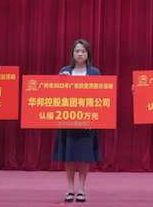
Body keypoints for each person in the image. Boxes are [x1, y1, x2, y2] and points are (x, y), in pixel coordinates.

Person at [54, 38, 102, 203]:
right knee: (69, 156)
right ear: (72, 54)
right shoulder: (65, 71)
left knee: (83, 156)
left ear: (88, 54)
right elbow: (55, 96)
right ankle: (70, 188)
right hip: (67, 121)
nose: (80, 54)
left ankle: (81, 188)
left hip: (87, 122)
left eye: (83, 51)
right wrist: (60, 81)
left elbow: (101, 96)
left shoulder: (94, 72)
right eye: (77, 51)